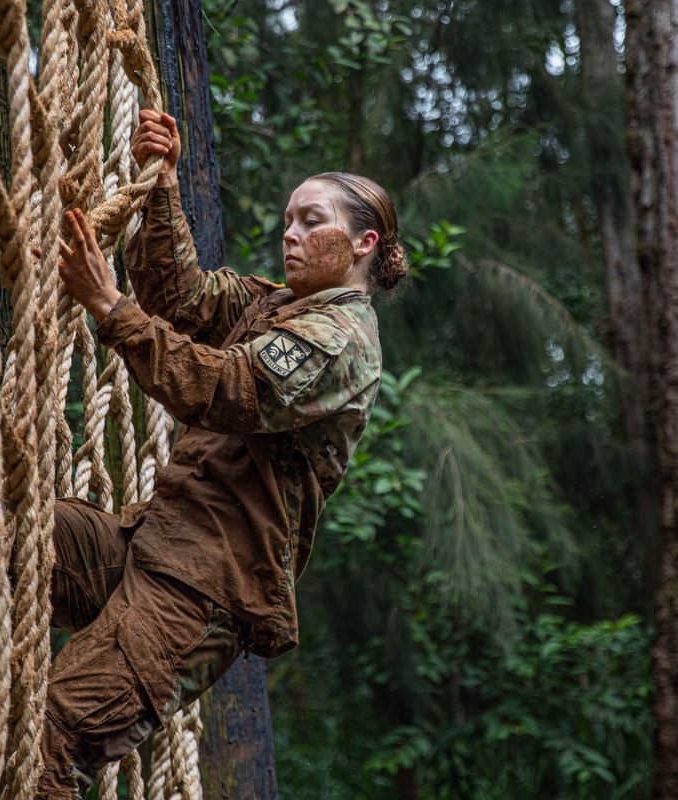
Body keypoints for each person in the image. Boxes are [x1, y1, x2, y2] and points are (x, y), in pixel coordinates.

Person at [37, 109, 408, 799]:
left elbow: (226, 387)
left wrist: (107, 305)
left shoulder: (342, 342)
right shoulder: (269, 306)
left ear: (364, 242)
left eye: (311, 221)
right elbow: (180, 297)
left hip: (204, 594)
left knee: (53, 739)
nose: (290, 235)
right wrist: (166, 185)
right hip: (149, 546)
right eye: (289, 220)